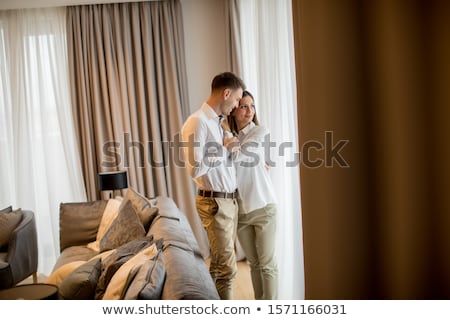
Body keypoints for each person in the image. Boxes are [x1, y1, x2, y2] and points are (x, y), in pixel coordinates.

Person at [180, 72, 245, 300]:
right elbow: (195, 168)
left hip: (228, 200)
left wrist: (230, 148)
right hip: (215, 202)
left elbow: (222, 164)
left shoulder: (217, 123)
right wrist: (223, 148)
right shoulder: (197, 122)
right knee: (225, 268)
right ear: (226, 93)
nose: (237, 105)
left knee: (223, 265)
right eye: (236, 100)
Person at [225, 90, 279, 300]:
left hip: (264, 208)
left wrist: (229, 142)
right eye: (244, 106)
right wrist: (231, 143)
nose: (249, 111)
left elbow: (239, 157)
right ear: (234, 109)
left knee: (267, 264)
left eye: (252, 106)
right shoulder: (231, 137)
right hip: (241, 211)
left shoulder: (260, 131)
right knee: (253, 264)